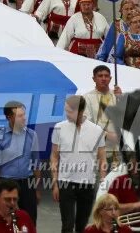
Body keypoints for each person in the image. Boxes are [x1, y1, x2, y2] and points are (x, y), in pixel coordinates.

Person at [51, 94, 106, 233]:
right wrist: (55, 182)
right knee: (67, 225)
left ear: (80, 111)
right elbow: (54, 156)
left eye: (70, 111)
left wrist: (104, 182)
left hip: (87, 183)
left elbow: (102, 159)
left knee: (82, 226)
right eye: (66, 110)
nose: (66, 114)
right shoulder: (59, 127)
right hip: (65, 182)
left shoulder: (97, 130)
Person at [0, 102, 40, 222]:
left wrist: (36, 190)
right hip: (6, 184)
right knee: (5, 220)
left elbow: (36, 165)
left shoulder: (32, 135)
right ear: (9, 117)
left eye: (24, 114)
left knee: (30, 221)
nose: (24, 118)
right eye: (20, 116)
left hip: (27, 184)